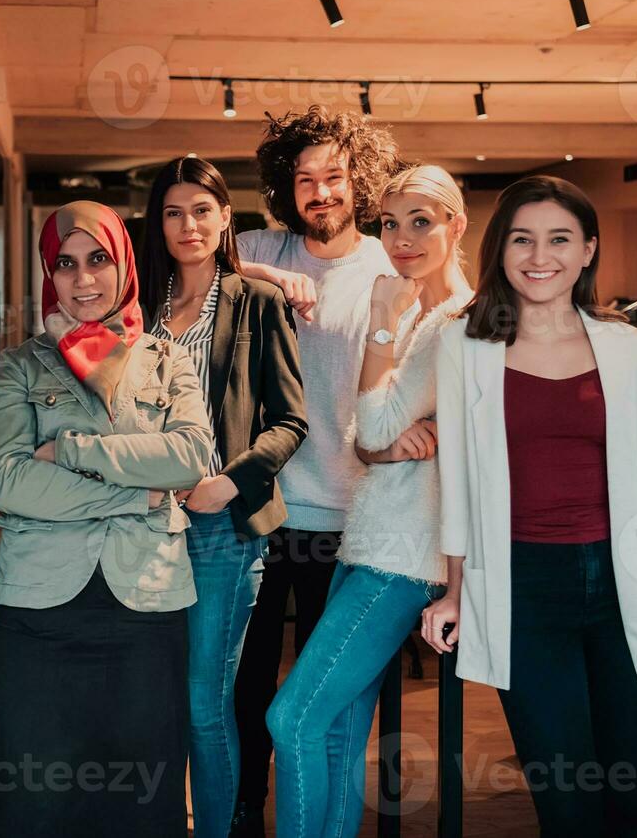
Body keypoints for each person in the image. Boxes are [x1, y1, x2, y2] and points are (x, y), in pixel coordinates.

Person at [422, 176, 637, 837]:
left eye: (559, 239)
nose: (539, 255)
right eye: (522, 239)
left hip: (628, 585)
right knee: (567, 803)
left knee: (624, 800)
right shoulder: (464, 345)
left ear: (588, 252)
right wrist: (455, 590)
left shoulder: (625, 345)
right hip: (523, 589)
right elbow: (458, 479)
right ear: (500, 250)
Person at [0, 201, 212, 838]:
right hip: (37, 609)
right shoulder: (20, 365)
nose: (84, 279)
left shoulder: (168, 360)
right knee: (32, 794)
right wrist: (137, 492)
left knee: (142, 794)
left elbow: (192, 457)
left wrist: (77, 452)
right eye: (65, 264)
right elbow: (8, 480)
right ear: (48, 275)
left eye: (99, 259)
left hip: (147, 603)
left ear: (124, 263)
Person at [266, 165, 473, 837]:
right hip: (373, 544)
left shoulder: (458, 323)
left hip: (402, 559)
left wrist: (380, 326)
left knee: (291, 717)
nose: (403, 238)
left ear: (457, 226)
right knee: (332, 734)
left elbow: (376, 430)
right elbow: (367, 440)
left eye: (422, 221)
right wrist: (381, 440)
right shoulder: (422, 314)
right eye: (390, 223)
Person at [228, 106, 401, 830]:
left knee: (329, 702)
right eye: (304, 180)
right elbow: (179, 258)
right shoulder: (260, 246)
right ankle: (244, 811)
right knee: (246, 686)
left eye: (334, 176)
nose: (320, 193)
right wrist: (266, 274)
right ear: (284, 188)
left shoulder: (387, 268)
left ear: (358, 181)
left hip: (354, 521)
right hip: (264, 513)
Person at [137, 156, 308, 838]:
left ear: (224, 217)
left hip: (220, 530)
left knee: (205, 703)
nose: (188, 225)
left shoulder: (256, 303)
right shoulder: (135, 302)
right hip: (138, 525)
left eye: (202, 210)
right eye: (174, 212)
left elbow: (291, 422)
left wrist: (229, 482)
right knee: (150, 700)